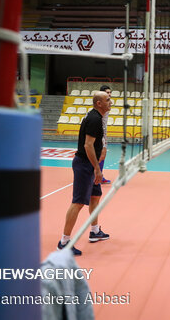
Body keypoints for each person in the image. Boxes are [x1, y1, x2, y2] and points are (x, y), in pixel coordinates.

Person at [58, 91, 112, 255]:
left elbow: (95, 143)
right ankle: (64, 242)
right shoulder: (94, 119)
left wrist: (102, 150)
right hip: (84, 165)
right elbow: (88, 145)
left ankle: (94, 231)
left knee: (95, 196)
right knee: (78, 202)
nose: (111, 102)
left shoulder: (98, 117)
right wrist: (97, 168)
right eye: (107, 100)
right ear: (99, 103)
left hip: (91, 163)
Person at [99, 85, 112, 184]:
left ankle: (98, 175)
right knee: (101, 154)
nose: (109, 94)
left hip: (103, 131)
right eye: (107, 92)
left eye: (110, 92)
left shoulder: (108, 103)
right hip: (99, 131)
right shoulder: (101, 104)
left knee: (102, 154)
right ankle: (98, 176)